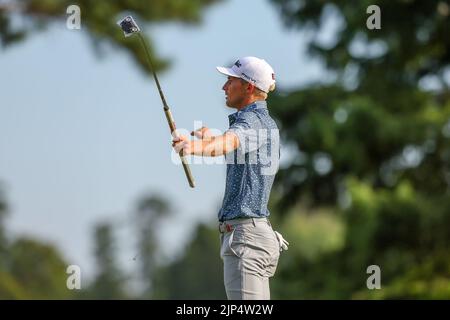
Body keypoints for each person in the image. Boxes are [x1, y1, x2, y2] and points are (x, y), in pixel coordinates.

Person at [172, 56, 288, 300]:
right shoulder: (260, 122)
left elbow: (228, 143)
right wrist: (208, 138)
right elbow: (237, 147)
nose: (223, 87)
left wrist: (193, 147)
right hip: (253, 235)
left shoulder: (252, 121)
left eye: (230, 81)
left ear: (249, 87)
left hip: (246, 238)